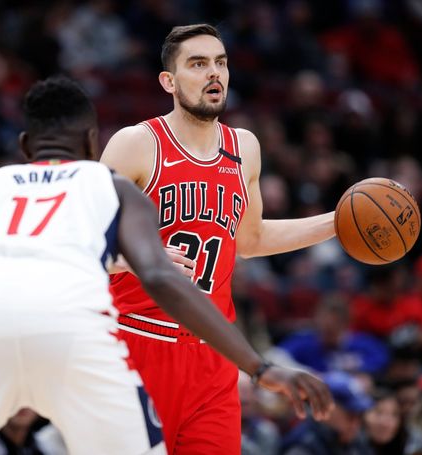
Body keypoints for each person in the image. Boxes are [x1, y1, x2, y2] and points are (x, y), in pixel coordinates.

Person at [0, 76, 332, 454]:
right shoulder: (108, 187)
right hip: (71, 338)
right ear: (91, 144)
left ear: (24, 146)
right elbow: (163, 277)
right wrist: (260, 366)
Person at [101, 23, 336, 454]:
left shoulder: (244, 147)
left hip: (213, 355)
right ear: (168, 82)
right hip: (135, 344)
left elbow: (251, 239)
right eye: (198, 64)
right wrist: (143, 259)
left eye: (221, 63)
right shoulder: (136, 143)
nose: (215, 73)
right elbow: (81, 244)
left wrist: (338, 222)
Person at [281, 371, 375, 455]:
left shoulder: (356, 441)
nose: (355, 423)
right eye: (350, 414)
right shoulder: (303, 445)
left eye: (359, 415)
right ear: (324, 406)